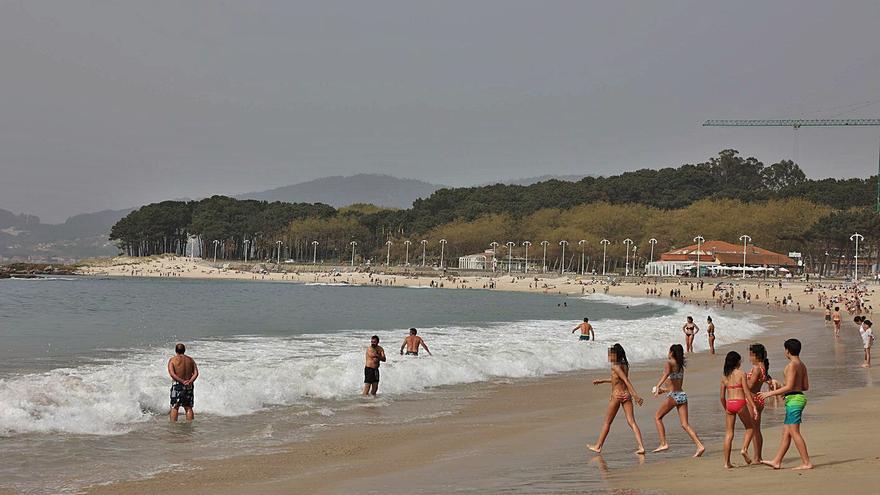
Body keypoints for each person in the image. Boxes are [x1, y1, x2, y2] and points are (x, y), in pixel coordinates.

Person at [757, 339, 812, 470]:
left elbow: (790, 386)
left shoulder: (792, 365)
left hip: (794, 401)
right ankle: (777, 461)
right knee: (786, 433)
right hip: (797, 398)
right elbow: (805, 386)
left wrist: (769, 394)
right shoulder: (802, 364)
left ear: (787, 350)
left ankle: (806, 462)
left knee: (794, 432)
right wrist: (787, 389)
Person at [587, 344, 646, 455]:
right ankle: (641, 447)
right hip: (626, 395)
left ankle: (598, 446)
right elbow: (617, 380)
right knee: (632, 422)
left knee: (607, 422)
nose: (609, 356)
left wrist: (636, 396)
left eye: (611, 354)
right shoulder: (625, 365)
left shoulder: (615, 366)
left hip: (617, 396)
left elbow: (626, 381)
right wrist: (602, 381)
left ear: (615, 355)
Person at [651, 344, 705, 457]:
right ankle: (700, 445)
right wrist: (663, 391)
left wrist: (657, 387)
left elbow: (665, 375)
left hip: (674, 396)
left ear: (671, 352)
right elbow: (676, 385)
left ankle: (663, 443)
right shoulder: (680, 366)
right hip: (682, 395)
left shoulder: (669, 363)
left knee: (657, 417)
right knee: (685, 424)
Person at [720, 351, 758, 468]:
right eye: (740, 360)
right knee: (750, 427)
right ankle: (744, 449)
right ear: (737, 362)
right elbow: (746, 392)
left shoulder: (724, 376)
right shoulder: (742, 373)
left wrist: (726, 407)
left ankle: (726, 463)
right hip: (740, 403)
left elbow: (722, 396)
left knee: (729, 433)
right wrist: (754, 406)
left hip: (730, 403)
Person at [741, 343, 770, 464]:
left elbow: (750, 385)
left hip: (752, 399)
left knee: (753, 429)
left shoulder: (757, 368)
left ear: (756, 355)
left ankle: (757, 457)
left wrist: (742, 379)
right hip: (758, 399)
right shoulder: (763, 367)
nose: (749, 358)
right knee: (756, 429)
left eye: (751, 355)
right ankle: (758, 456)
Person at [168, 343, 199, 422]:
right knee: (188, 407)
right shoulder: (190, 360)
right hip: (189, 385)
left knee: (175, 407)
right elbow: (196, 373)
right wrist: (190, 381)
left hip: (177, 385)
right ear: (184, 350)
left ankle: (173, 426)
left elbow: (172, 374)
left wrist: (182, 381)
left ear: (176, 350)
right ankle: (190, 425)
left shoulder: (173, 360)